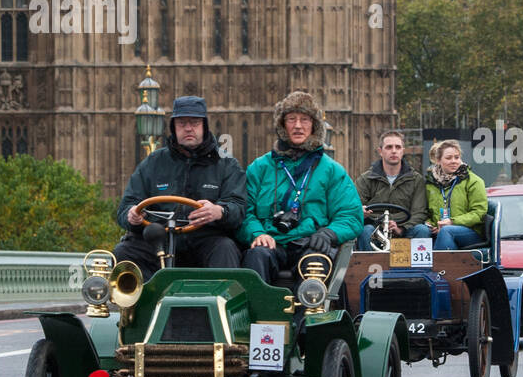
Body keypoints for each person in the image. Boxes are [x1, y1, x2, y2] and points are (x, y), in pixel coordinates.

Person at [238, 91, 363, 284]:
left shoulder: (332, 170)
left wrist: (329, 233)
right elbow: (243, 210)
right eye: (291, 119)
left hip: (310, 243)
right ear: (282, 125)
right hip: (270, 241)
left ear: (314, 126)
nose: (297, 126)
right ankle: (260, 313)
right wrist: (257, 233)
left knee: (315, 262)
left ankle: (310, 314)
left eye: (304, 119)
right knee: (255, 257)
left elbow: (350, 215)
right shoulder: (259, 168)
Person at [114, 96, 245, 278]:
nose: (188, 128)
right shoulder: (153, 162)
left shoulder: (226, 164)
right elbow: (125, 208)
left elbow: (239, 208)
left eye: (195, 122)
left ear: (204, 126)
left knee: (226, 248)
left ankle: (220, 304)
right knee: (124, 252)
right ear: (173, 127)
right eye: (182, 123)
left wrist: (219, 211)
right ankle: (141, 305)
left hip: (205, 240)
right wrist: (131, 216)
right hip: (158, 240)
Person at [354, 131, 432, 251]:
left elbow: (419, 212)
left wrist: (402, 228)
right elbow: (356, 206)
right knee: (365, 231)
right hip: (376, 229)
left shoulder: (416, 179)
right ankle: (370, 268)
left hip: (406, 230)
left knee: (422, 230)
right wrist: (361, 212)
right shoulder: (366, 179)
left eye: (398, 147)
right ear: (380, 151)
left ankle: (420, 269)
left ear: (403, 151)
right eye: (389, 147)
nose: (394, 151)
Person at [425, 139, 488, 250]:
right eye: (448, 158)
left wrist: (452, 222)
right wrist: (430, 224)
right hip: (441, 231)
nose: (454, 161)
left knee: (446, 231)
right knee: (422, 229)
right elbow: (426, 211)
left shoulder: (474, 181)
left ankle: (442, 266)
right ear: (438, 160)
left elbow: (479, 213)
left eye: (457, 157)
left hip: (471, 232)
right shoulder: (430, 184)